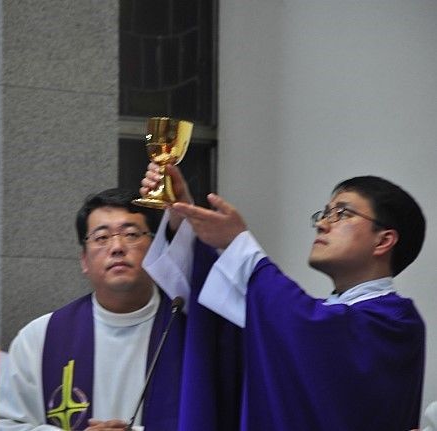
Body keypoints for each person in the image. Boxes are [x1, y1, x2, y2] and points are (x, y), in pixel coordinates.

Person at [141, 163, 426, 431]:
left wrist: (239, 244)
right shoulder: (325, 317)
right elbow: (222, 329)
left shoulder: (395, 324)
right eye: (324, 214)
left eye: (341, 214)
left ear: (383, 240)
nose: (322, 224)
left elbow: (309, 328)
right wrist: (182, 216)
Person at [0, 188, 185, 431]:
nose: (117, 247)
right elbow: (5, 424)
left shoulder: (188, 332)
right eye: (101, 237)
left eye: (131, 234)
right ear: (84, 260)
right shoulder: (38, 339)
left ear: (156, 248)